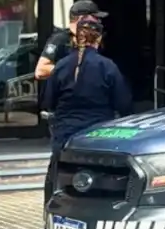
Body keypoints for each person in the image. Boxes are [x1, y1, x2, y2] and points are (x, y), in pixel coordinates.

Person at [42, 16, 132, 204]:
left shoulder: (61, 66)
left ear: (75, 38)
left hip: (65, 133)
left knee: (59, 178)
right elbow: (123, 104)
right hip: (99, 132)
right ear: (99, 39)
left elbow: (48, 100)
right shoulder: (108, 66)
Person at [34, 0, 108, 81]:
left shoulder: (93, 39)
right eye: (95, 18)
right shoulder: (60, 39)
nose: (98, 21)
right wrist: (72, 69)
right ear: (82, 19)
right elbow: (40, 71)